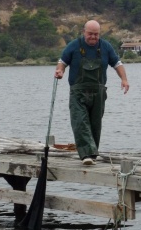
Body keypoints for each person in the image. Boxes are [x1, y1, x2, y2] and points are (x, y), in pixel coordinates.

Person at [54, 20, 129, 165]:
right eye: (90, 34)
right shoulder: (74, 46)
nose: (93, 37)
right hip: (78, 92)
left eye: (96, 34)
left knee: (95, 124)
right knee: (80, 122)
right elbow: (62, 62)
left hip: (98, 92)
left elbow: (117, 64)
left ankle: (92, 155)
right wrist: (60, 71)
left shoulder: (106, 47)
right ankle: (86, 155)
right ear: (84, 32)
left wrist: (124, 80)